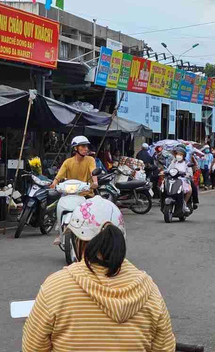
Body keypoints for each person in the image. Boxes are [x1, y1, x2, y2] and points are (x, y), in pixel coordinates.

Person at [22, 196, 176, 352]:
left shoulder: (56, 287)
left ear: (78, 241)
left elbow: (32, 347)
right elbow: (165, 348)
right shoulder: (149, 290)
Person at [51, 136, 99, 244]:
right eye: (83, 146)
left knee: (92, 216)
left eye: (86, 146)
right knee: (59, 206)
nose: (86, 148)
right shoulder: (68, 162)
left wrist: (95, 182)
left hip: (86, 194)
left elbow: (93, 171)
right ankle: (60, 232)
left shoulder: (90, 160)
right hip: (69, 193)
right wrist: (54, 183)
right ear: (75, 148)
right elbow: (59, 175)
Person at [165, 144, 193, 213]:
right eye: (177, 154)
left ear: (183, 156)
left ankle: (184, 203)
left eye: (180, 154)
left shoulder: (186, 163)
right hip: (173, 180)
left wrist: (187, 175)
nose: (178, 156)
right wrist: (164, 172)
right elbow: (169, 169)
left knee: (189, 190)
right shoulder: (174, 162)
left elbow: (190, 173)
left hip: (182, 180)